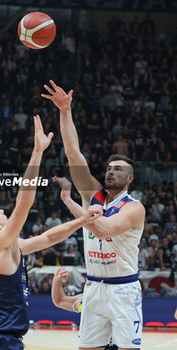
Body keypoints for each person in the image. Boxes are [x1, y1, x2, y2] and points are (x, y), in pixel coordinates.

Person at [0, 115, 102, 350]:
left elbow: (48, 238)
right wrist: (37, 151)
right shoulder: (1, 246)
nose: (1, 209)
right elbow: (23, 204)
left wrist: (81, 220)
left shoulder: (9, 248)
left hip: (0, 340)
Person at [42, 81, 146, 350]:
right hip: (93, 287)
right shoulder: (92, 195)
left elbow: (103, 229)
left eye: (119, 169)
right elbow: (73, 153)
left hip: (123, 290)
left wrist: (70, 202)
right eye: (110, 168)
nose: (111, 171)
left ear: (130, 178)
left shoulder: (134, 208)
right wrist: (65, 111)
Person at [52, 267, 117, 350]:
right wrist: (57, 280)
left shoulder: (119, 298)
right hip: (92, 344)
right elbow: (59, 300)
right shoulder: (84, 300)